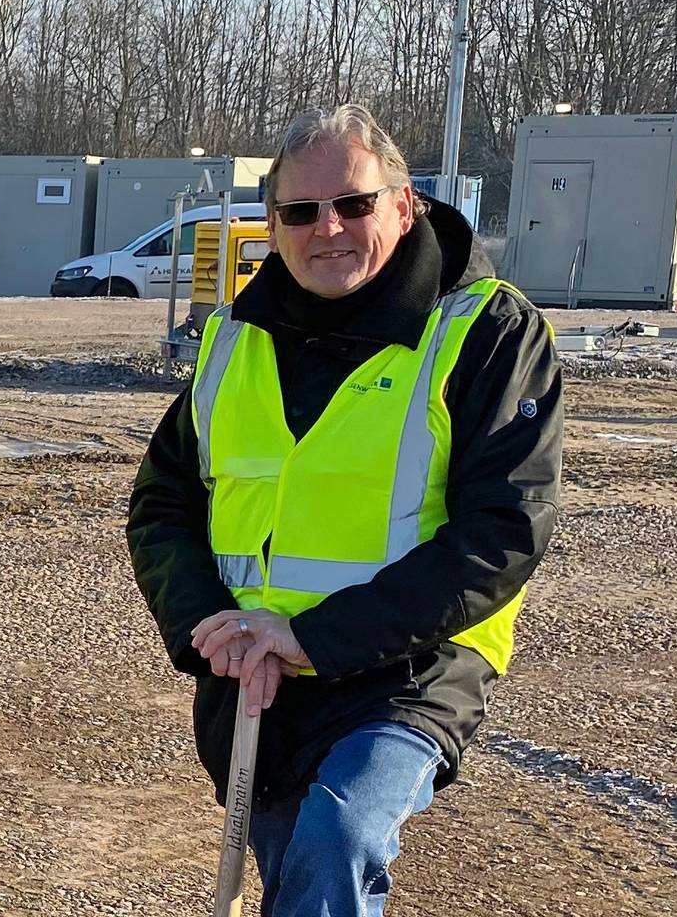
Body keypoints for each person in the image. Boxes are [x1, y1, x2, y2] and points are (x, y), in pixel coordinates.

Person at [125, 104, 562, 917]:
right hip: (257, 679)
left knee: (338, 839)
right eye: (300, 211)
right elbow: (162, 504)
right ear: (274, 224)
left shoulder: (486, 332)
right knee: (297, 871)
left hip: (405, 670)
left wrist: (315, 638)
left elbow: (503, 532)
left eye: (353, 204)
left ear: (404, 206)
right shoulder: (231, 341)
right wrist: (209, 622)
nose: (328, 228)